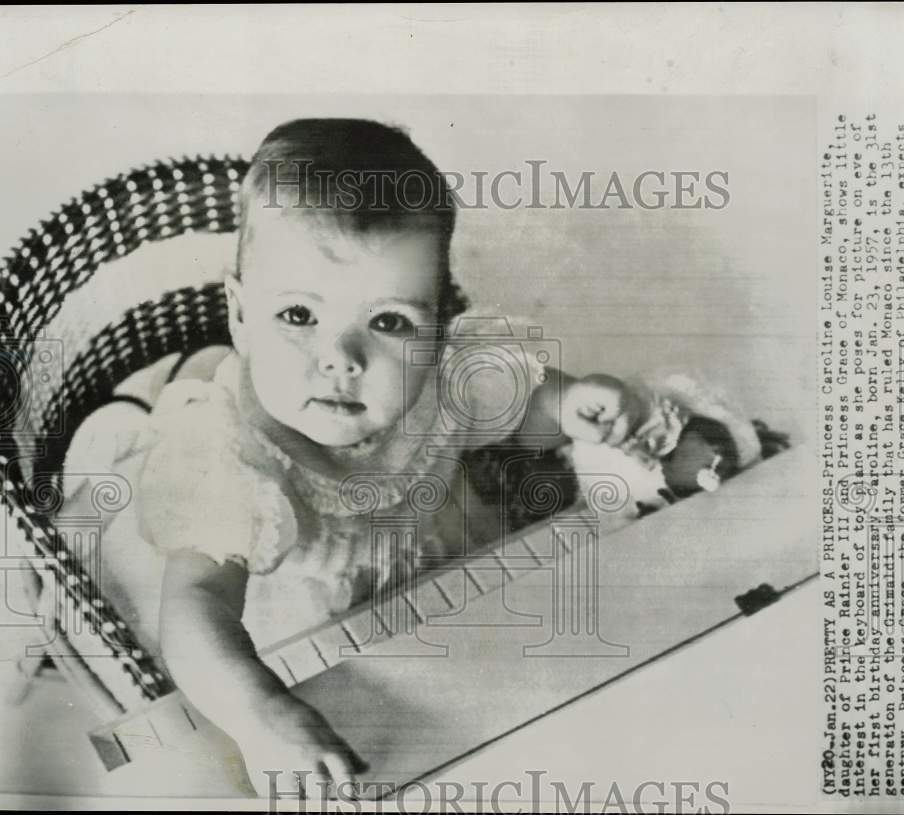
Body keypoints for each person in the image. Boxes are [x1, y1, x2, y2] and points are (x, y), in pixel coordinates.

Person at [77, 118, 764, 796]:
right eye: (298, 315)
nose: (340, 359)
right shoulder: (229, 456)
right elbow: (195, 605)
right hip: (310, 633)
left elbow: (523, 406)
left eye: (389, 322)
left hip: (453, 578)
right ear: (238, 313)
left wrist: (574, 400)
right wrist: (262, 712)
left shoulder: (441, 380)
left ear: (436, 328)